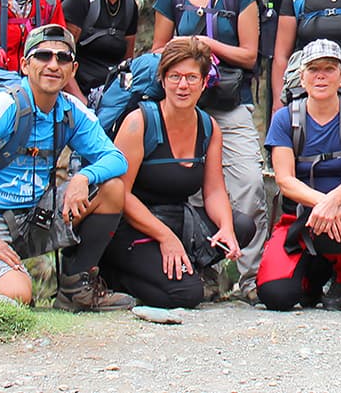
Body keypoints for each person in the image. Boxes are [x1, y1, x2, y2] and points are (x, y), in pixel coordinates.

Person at [0, 24, 133, 311]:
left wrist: (83, 177)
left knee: (111, 189)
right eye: (43, 56)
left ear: (73, 69)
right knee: (17, 293)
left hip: (30, 217)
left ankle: (75, 290)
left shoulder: (69, 110)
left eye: (63, 58)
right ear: (25, 65)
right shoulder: (3, 106)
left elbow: (117, 159)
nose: (54, 65)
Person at [152, 0, 267, 300]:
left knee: (249, 184)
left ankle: (252, 277)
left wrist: (206, 44)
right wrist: (184, 53)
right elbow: (157, 53)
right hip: (186, 109)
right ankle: (207, 273)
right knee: (196, 194)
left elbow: (251, 55)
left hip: (230, 104)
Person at [100, 37, 257, 309]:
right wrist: (165, 237)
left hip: (178, 220)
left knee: (243, 226)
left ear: (204, 81)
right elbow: (119, 194)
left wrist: (227, 229)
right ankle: (114, 277)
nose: (182, 86)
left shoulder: (208, 127)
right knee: (186, 294)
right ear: (162, 80)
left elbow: (214, 190)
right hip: (131, 226)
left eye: (191, 77)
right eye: (174, 77)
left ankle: (174, 266)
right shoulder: (140, 123)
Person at [258, 39, 341, 311]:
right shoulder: (284, 119)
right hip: (298, 216)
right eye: (313, 69)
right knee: (276, 295)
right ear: (302, 77)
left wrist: (334, 204)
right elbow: (285, 179)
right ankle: (315, 273)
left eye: (329, 69)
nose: (321, 75)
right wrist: (324, 205)